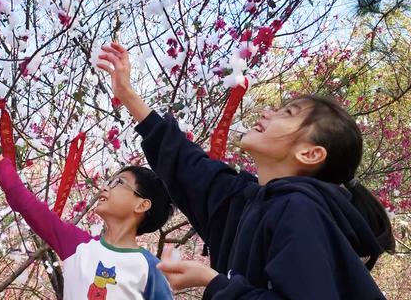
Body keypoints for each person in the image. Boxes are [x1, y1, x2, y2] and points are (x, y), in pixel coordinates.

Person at [97, 42, 395, 299]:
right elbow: (187, 165)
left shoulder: (300, 210)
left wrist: (212, 282)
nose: (267, 112)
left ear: (310, 153)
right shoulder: (244, 201)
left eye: (287, 113)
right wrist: (127, 94)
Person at [0, 104, 175, 299]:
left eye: (119, 183)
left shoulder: (150, 269)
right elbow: (24, 202)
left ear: (142, 205)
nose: (105, 187)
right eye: (109, 181)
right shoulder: (78, 246)